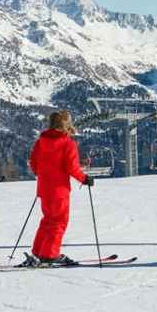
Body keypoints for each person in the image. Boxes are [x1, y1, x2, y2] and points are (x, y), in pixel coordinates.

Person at [25, 110, 93, 267]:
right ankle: (50, 255)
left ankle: (39, 251)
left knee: (48, 220)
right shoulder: (68, 143)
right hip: (60, 189)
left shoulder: (40, 142)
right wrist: (85, 179)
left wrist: (45, 175)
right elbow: (71, 168)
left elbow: (34, 163)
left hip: (44, 188)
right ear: (66, 125)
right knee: (59, 221)